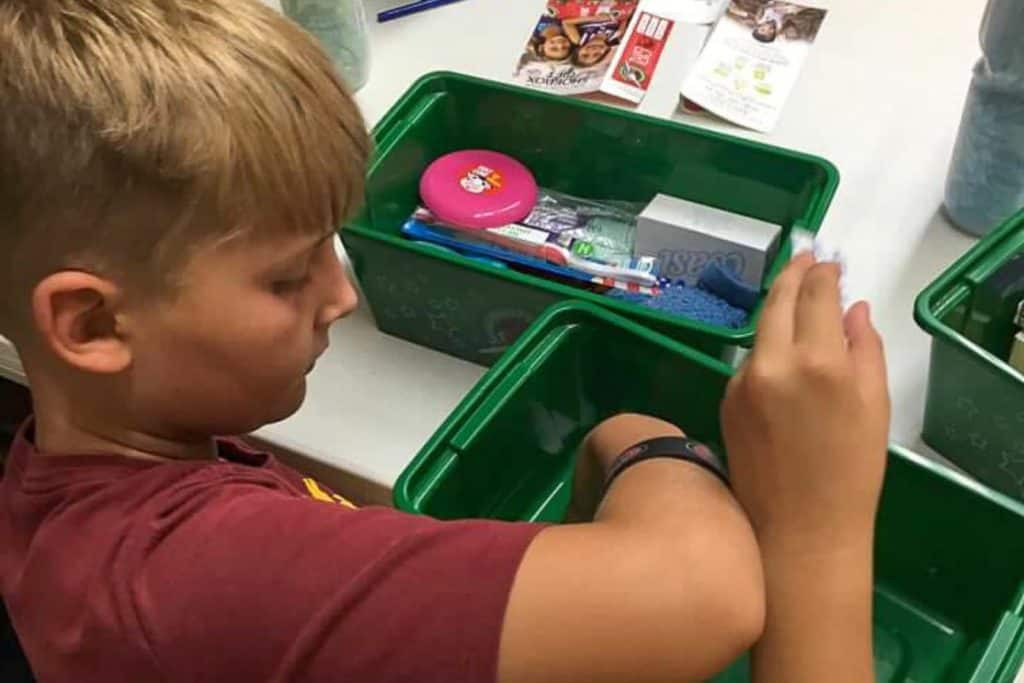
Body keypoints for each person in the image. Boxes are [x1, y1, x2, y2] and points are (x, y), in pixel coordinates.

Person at [0, 1, 890, 682]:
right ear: (92, 324)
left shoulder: (90, 483)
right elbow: (709, 595)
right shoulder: (182, 580)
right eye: (286, 276)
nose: (343, 295)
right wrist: (814, 520)